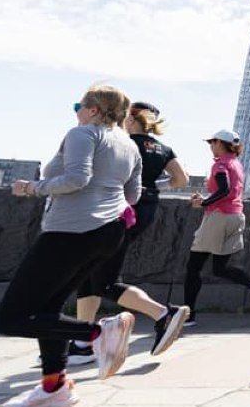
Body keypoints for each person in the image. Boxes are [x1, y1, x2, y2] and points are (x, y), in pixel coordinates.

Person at [0, 86, 140, 407]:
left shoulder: (83, 133)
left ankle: (98, 332)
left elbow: (77, 179)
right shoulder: (129, 145)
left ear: (93, 110)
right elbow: (131, 196)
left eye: (79, 105)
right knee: (48, 311)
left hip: (72, 230)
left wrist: (33, 187)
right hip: (109, 232)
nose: (76, 110)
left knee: (11, 318)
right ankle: (54, 387)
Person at [70, 102, 191, 360]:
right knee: (89, 273)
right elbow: (182, 180)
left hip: (117, 209)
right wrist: (154, 185)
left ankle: (163, 313)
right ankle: (82, 342)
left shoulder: (123, 143)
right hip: (145, 209)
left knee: (102, 280)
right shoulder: (164, 149)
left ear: (130, 119)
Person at [182, 129, 250, 324]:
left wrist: (204, 203)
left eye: (212, 142)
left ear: (221, 143)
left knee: (193, 268)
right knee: (220, 268)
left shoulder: (220, 164)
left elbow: (224, 189)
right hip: (236, 217)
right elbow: (231, 191)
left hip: (219, 217)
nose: (210, 146)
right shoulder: (237, 165)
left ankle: (189, 316)